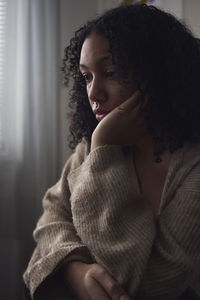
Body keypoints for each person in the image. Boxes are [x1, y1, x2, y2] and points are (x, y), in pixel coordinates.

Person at [23, 4, 200, 300]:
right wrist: (74, 271)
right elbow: (51, 220)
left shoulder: (193, 167)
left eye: (111, 72)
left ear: (158, 75)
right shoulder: (89, 149)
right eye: (87, 76)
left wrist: (102, 146)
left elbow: (152, 285)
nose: (93, 93)